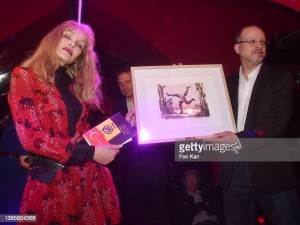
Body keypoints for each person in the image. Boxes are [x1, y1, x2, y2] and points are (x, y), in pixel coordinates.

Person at [7, 20, 122, 225]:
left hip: (87, 181)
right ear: (54, 38)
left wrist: (124, 125)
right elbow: (32, 138)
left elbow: (84, 137)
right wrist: (92, 153)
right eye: (68, 36)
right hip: (51, 183)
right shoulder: (24, 76)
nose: (72, 45)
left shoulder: (74, 88)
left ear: (81, 55)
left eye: (79, 45)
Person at [210, 25, 300, 225]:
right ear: (237, 48)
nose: (259, 45)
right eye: (252, 41)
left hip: (270, 170)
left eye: (262, 41)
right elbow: (205, 113)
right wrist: (181, 79)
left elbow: (278, 120)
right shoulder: (225, 83)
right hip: (232, 170)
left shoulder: (281, 78)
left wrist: (239, 139)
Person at [109, 66, 171, 225]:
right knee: (137, 214)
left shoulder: (152, 102)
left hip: (155, 165)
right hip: (130, 171)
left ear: (135, 81)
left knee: (160, 212)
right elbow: (115, 142)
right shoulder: (116, 109)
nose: (124, 87)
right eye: (120, 84)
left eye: (128, 82)